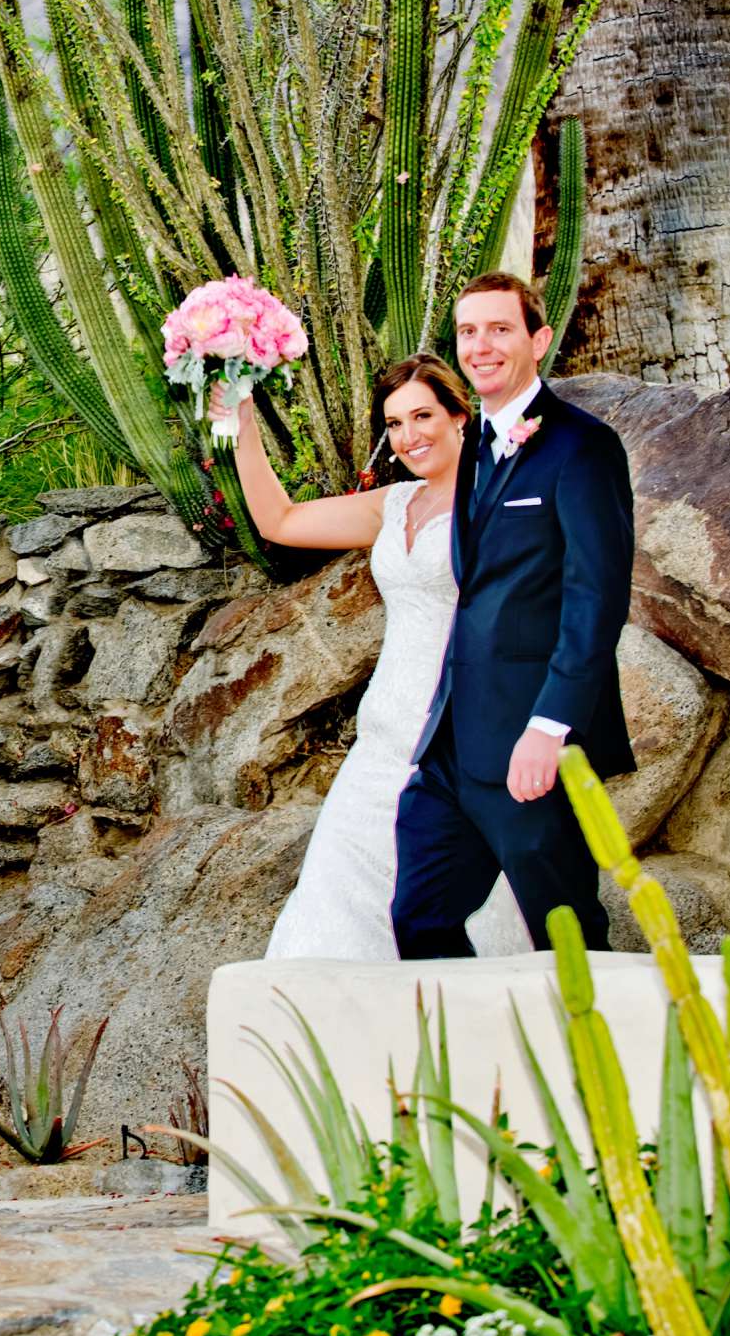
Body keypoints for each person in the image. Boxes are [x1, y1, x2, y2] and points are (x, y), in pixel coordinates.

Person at [221, 355, 530, 960]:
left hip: (461, 740)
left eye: (423, 415)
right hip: (383, 735)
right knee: (333, 908)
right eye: (394, 423)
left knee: (454, 916)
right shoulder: (394, 504)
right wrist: (243, 421)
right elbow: (278, 521)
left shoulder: (502, 501)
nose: (410, 436)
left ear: (460, 415)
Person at [392, 271, 634, 958]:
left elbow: (597, 601)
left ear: (539, 338)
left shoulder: (582, 448)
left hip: (534, 745)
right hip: (451, 749)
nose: (482, 345)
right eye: (469, 331)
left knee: (567, 937)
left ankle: (600, 1064)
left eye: (500, 329)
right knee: (420, 919)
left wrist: (551, 728)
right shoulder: (471, 451)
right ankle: (471, 1063)